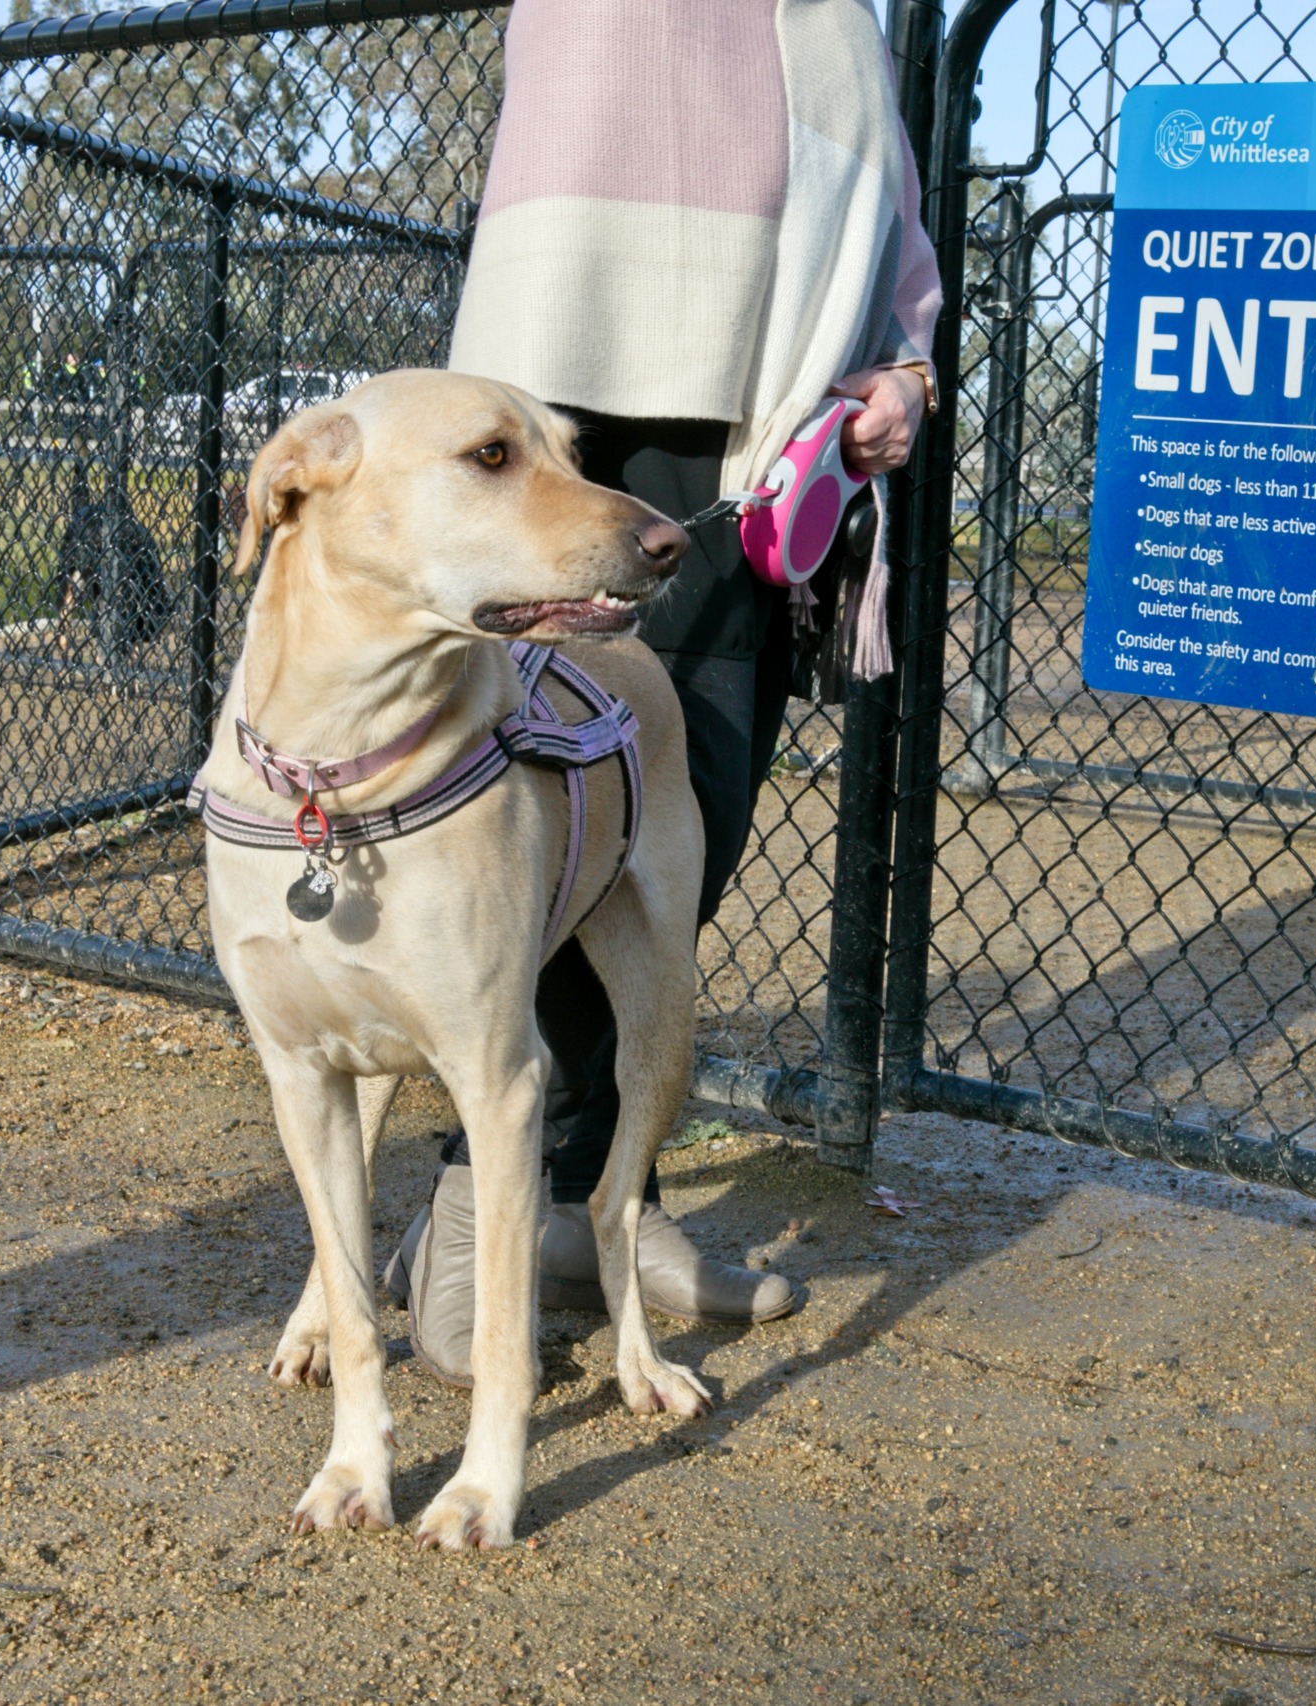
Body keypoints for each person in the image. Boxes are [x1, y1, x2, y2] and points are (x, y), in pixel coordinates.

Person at [387, 0, 940, 1384]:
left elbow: (875, 168)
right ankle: (479, 1216)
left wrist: (906, 356)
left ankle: (594, 1213)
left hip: (770, 400)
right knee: (549, 828)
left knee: (685, 822)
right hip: (573, 361)